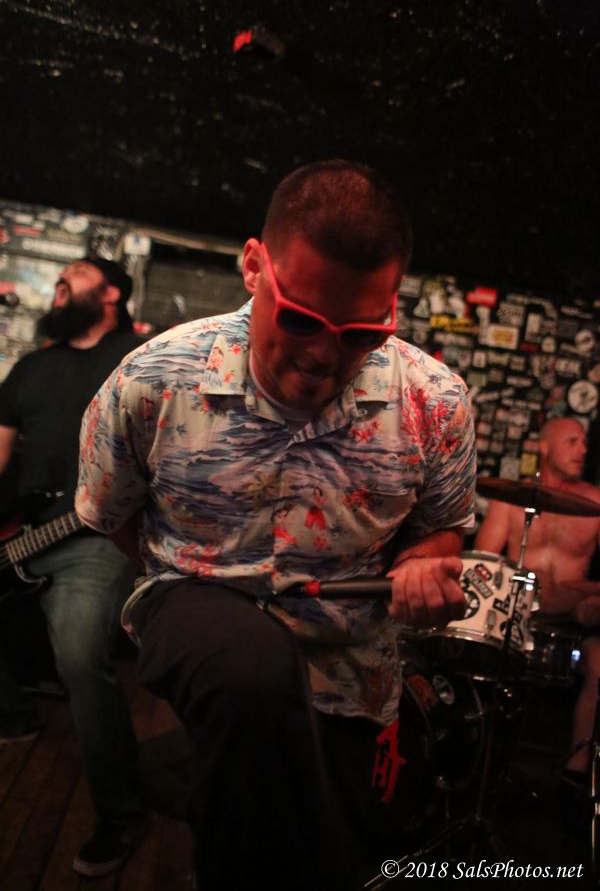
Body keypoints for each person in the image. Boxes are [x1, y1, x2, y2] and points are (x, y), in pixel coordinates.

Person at [76, 160, 477, 891]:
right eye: (302, 320)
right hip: (194, 605)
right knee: (251, 673)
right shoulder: (151, 380)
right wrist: (184, 581)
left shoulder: (437, 403)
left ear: (393, 304)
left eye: (361, 333)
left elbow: (442, 527)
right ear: (254, 267)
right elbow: (110, 515)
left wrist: (426, 562)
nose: (324, 354)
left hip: (348, 662)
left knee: (320, 846)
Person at [0, 256, 146, 876]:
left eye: (77, 271)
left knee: (82, 656)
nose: (62, 278)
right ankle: (14, 713)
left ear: (111, 292)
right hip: (20, 532)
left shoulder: (137, 359)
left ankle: (121, 812)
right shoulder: (32, 367)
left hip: (94, 534)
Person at [475, 417, 600, 779]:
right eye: (572, 441)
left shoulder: (595, 501)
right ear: (544, 447)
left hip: (571, 625)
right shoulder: (511, 501)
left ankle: (575, 775)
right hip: (515, 621)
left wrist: (594, 599)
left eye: (584, 442)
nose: (582, 450)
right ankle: (480, 761)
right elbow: (484, 565)